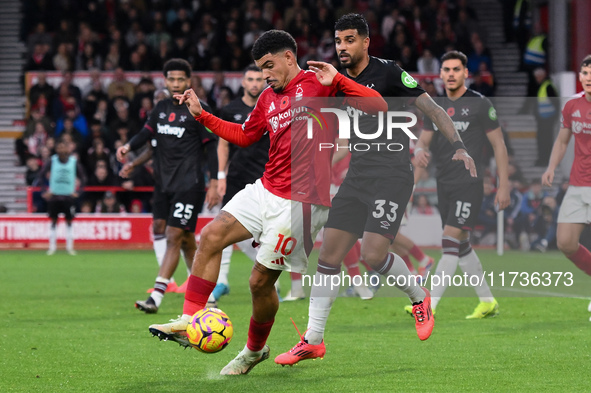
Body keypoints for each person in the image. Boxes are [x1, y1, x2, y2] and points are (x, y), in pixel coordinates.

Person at [148, 29, 387, 375]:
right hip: (265, 189)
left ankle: (252, 351)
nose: (266, 76)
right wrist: (202, 115)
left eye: (270, 67)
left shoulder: (321, 82)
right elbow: (245, 136)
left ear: (289, 58)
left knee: (259, 282)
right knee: (211, 236)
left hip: (302, 203)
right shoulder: (267, 98)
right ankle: (188, 319)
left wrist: (340, 80)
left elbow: (378, 106)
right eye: (261, 70)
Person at [275, 15, 476, 367]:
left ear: (366, 42)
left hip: (392, 175)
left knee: (372, 254)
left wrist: (459, 145)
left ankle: (419, 296)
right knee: (328, 256)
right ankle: (313, 340)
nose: (342, 48)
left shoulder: (389, 74)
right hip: (358, 175)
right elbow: (342, 131)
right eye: (338, 41)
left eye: (349, 40)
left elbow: (433, 109)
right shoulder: (334, 82)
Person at [410, 50, 510, 319]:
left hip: (470, 182)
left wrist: (504, 185)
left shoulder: (480, 104)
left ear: (466, 73)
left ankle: (427, 303)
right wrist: (418, 152)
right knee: (462, 244)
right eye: (446, 70)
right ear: (440, 74)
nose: (451, 74)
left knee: (449, 240)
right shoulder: (434, 106)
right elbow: (424, 142)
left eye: (456, 69)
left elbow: (499, 145)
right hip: (444, 183)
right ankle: (488, 301)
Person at [116, 59, 220, 314]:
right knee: (183, 240)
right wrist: (129, 148)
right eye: (171, 79)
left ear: (189, 81)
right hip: (163, 184)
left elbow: (212, 147)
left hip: (189, 184)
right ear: (165, 81)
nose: (175, 83)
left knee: (174, 236)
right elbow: (146, 134)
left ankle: (157, 297)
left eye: (180, 79)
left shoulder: (199, 108)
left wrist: (215, 182)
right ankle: (206, 293)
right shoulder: (161, 108)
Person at [210, 64, 268, 304]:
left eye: (259, 79)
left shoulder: (272, 107)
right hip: (235, 179)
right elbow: (223, 145)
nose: (255, 83)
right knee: (222, 228)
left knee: (264, 236)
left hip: (266, 180)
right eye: (251, 79)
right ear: (243, 83)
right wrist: (220, 178)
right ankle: (221, 281)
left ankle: (267, 282)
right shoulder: (230, 109)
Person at [542, 55, 591, 313]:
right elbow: (562, 141)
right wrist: (551, 167)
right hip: (578, 183)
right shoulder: (572, 105)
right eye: (585, 73)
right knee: (566, 242)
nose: (588, 78)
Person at [38, 139, 86, 255]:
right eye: (59, 147)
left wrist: (78, 192)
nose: (61, 150)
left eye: (63, 147)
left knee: (69, 222)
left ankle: (70, 247)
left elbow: (83, 178)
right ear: (56, 149)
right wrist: (44, 191)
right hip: (54, 196)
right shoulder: (52, 161)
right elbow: (40, 175)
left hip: (68, 196)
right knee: (53, 221)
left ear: (68, 148)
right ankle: (52, 247)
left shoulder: (74, 162)